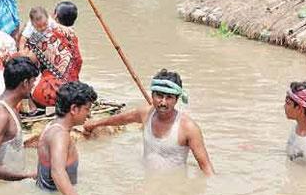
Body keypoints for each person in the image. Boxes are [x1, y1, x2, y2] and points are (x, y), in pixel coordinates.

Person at [83, 69, 214, 176]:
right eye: (159, 96)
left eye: (169, 97)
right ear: (152, 96)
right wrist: (94, 124)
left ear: (177, 99)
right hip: (147, 183)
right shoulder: (146, 114)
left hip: (173, 191)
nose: (163, 102)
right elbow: (121, 119)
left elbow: (206, 167)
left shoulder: (188, 128)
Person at [36, 82, 96, 195]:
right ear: (74, 109)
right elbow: (57, 171)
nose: (89, 114)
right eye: (87, 109)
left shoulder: (50, 126)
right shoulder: (60, 135)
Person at [0, 57, 39, 180]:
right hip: (1, 189)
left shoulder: (10, 107)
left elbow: (6, 143)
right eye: (33, 81)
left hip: (12, 185)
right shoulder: (0, 114)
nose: (34, 86)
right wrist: (26, 176)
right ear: (25, 83)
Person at [26, 1, 83, 109]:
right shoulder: (73, 36)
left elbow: (28, 59)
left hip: (50, 95)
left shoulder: (45, 35)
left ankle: (31, 107)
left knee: (21, 68)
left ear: (55, 15)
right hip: (73, 92)